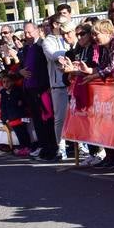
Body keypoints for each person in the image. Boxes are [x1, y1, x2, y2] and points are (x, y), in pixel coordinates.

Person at [18, 21, 57, 161]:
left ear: (36, 31)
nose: (27, 35)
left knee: (46, 120)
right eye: (25, 33)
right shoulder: (26, 48)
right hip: (30, 89)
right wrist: (20, 71)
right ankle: (43, 147)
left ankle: (51, 149)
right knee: (38, 122)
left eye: (30, 32)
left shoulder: (42, 45)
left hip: (42, 88)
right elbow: (21, 65)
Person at [42, 14, 72, 160]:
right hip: (58, 85)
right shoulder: (47, 41)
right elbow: (53, 54)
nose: (67, 26)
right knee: (60, 119)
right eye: (63, 23)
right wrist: (69, 54)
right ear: (55, 25)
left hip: (73, 83)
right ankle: (61, 149)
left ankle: (82, 147)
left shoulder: (70, 37)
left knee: (78, 116)